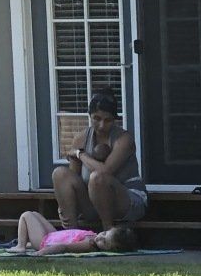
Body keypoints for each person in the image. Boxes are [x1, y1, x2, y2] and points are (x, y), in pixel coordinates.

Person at [52, 92, 146, 236]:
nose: (101, 125)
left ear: (114, 119)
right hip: (92, 201)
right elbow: (73, 178)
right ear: (90, 115)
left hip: (127, 199)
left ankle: (108, 233)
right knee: (60, 173)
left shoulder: (124, 139)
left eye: (107, 120)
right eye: (97, 118)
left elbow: (105, 171)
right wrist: (64, 206)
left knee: (98, 178)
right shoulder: (81, 139)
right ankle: (71, 235)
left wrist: (80, 154)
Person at [8, 209, 137, 255]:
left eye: (104, 242)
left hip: (45, 242)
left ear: (110, 249)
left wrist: (42, 252)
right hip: (53, 235)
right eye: (104, 234)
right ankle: (26, 242)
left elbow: (65, 247)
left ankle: (20, 246)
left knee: (26, 216)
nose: (100, 238)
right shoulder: (93, 238)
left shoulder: (88, 244)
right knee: (35, 214)